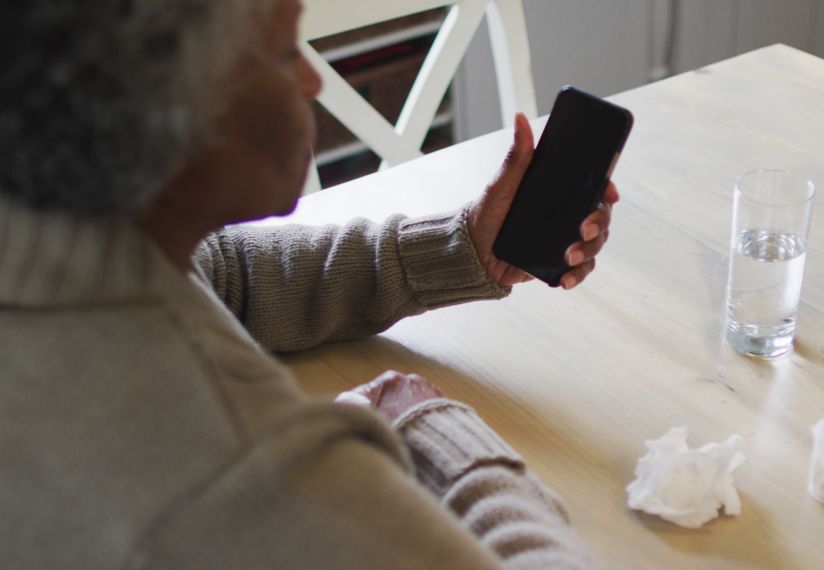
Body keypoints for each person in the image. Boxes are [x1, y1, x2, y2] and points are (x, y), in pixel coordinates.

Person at [0, 0, 617, 568]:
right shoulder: (233, 473)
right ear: (161, 106)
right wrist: (437, 436)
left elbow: (224, 277)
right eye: (285, 54)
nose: (314, 81)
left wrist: (461, 248)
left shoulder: (61, 231)